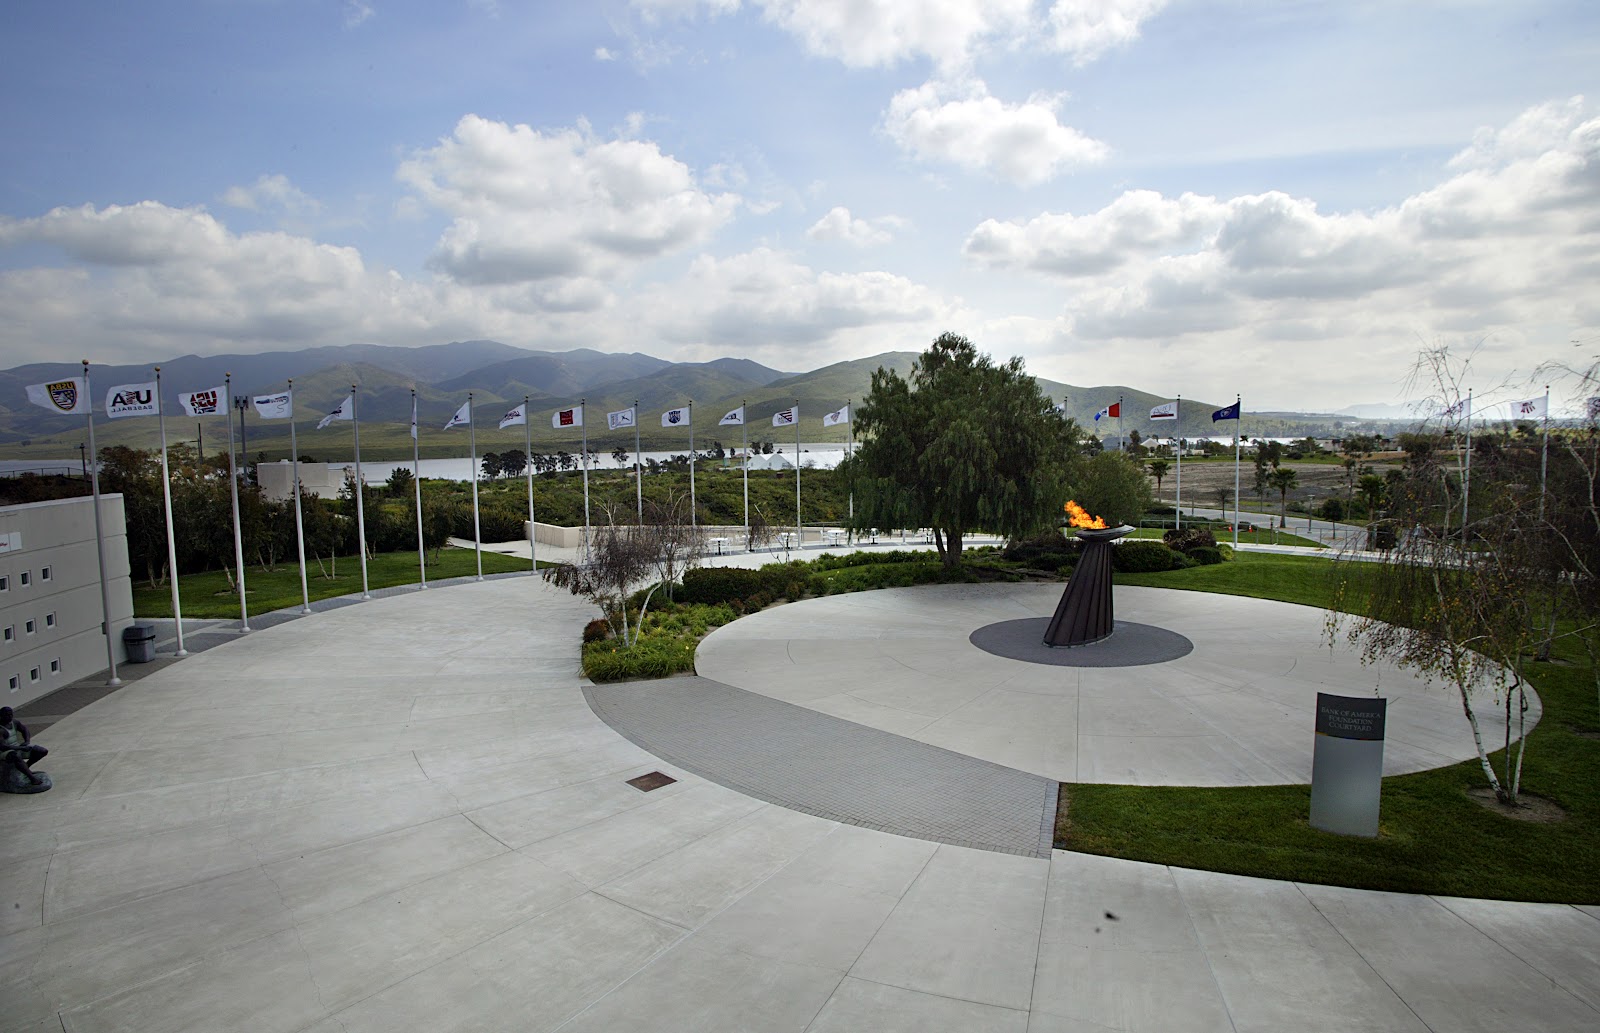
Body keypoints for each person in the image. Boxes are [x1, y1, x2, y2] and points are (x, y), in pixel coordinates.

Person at [0, 706, 47, 786]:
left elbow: (25, 729)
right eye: (7, 715)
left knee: (41, 751)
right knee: (15, 756)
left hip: (18, 748)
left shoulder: (14, 722)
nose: (10, 717)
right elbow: (3, 746)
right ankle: (32, 778)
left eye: (11, 715)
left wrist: (27, 741)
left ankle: (26, 767)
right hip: (4, 752)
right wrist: (21, 748)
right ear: (1, 716)